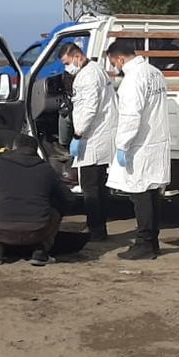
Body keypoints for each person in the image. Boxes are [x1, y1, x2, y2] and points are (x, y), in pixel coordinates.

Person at [105, 39, 171, 260]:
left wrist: (122, 145)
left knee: (140, 195)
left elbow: (130, 117)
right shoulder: (155, 73)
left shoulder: (133, 80)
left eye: (114, 63)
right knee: (152, 194)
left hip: (140, 144)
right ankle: (152, 242)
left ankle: (144, 243)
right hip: (156, 141)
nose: (115, 67)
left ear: (120, 59)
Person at [0, 134, 75, 266]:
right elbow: (69, 198)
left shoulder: (1, 163)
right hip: (37, 232)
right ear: (35, 150)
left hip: (1, 228)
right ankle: (41, 251)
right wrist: (49, 204)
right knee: (54, 212)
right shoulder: (46, 168)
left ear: (14, 148)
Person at [60, 42, 118, 241]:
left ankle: (95, 229)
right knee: (100, 186)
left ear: (77, 57)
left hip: (92, 137)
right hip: (102, 135)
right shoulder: (96, 69)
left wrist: (78, 135)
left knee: (90, 187)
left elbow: (89, 108)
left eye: (67, 63)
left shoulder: (86, 77)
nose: (67, 68)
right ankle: (99, 226)